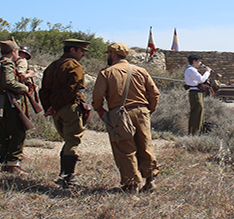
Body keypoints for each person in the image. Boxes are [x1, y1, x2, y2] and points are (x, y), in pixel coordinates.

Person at [93, 42, 161, 193]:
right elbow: (154, 93)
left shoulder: (106, 73)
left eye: (109, 54)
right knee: (145, 146)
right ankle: (150, 181)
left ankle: (131, 185)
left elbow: (97, 96)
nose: (108, 57)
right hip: (142, 112)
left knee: (124, 149)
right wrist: (149, 110)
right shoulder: (141, 70)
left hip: (119, 115)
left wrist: (100, 110)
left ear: (113, 54)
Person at [41, 39, 91, 184]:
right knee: (72, 141)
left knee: (68, 141)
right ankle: (67, 176)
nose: (83, 54)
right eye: (81, 51)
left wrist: (49, 107)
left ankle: (65, 174)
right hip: (69, 107)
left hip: (56, 110)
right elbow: (72, 89)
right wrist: (55, 106)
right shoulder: (74, 66)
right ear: (72, 50)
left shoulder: (52, 65)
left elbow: (44, 90)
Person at [0, 40, 31, 174]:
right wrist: (24, 88)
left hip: (1, 101)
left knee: (5, 132)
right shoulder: (7, 63)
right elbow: (8, 82)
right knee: (18, 132)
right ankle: (13, 164)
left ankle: (4, 161)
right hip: (9, 101)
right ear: (13, 52)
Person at [184, 55, 211, 135]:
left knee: (200, 111)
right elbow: (201, 79)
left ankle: (199, 130)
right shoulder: (191, 70)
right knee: (197, 112)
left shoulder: (192, 70)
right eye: (199, 61)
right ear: (194, 61)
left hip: (197, 92)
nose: (200, 63)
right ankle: (194, 132)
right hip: (195, 93)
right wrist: (207, 72)